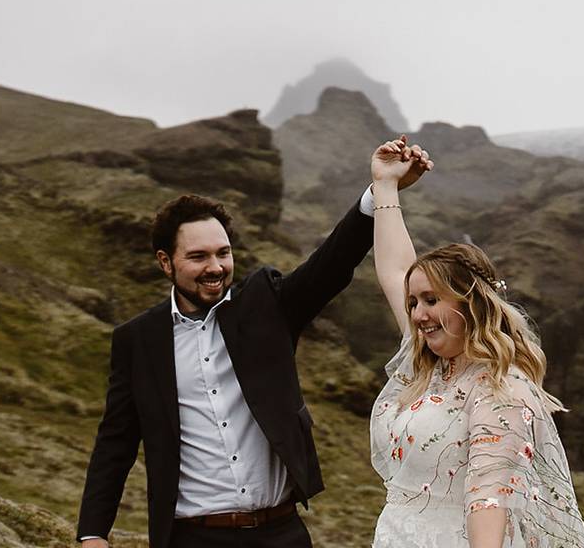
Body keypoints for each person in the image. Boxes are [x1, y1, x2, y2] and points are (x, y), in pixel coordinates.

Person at [76, 137, 432, 548]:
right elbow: (115, 442)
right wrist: (92, 533)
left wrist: (379, 191)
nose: (215, 268)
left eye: (222, 253)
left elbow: (332, 263)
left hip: (281, 532)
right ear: (165, 262)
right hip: (191, 539)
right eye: (198, 257)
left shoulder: (266, 302)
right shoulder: (137, 340)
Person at [368, 139, 584, 547]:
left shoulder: (499, 390)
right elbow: (396, 268)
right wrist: (384, 185)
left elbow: (489, 496)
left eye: (432, 300)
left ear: (471, 304)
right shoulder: (426, 363)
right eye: (414, 302)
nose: (418, 314)